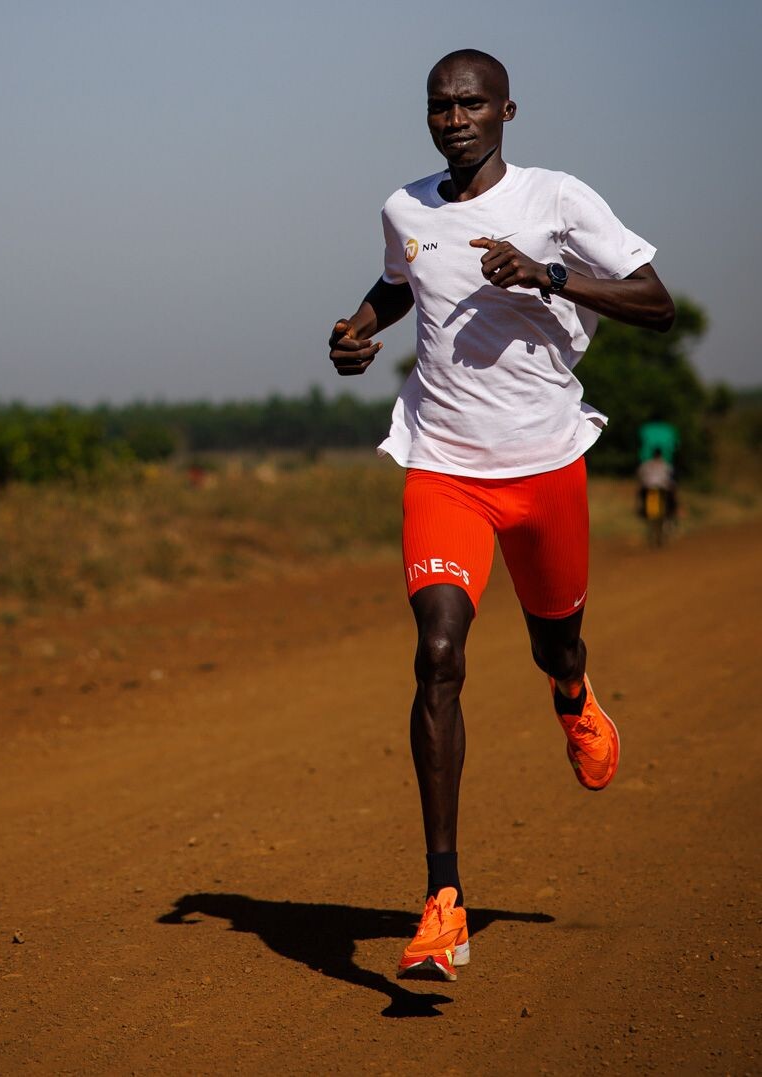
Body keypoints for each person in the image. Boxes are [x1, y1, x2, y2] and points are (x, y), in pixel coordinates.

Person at [328, 48, 675, 981]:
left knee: (556, 644)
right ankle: (444, 898)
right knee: (438, 653)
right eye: (440, 106)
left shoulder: (557, 199)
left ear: (507, 111)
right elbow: (402, 280)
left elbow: (657, 303)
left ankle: (573, 694)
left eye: (472, 104)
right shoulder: (405, 208)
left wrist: (549, 276)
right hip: (444, 468)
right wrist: (358, 329)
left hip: (545, 467)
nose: (455, 120)